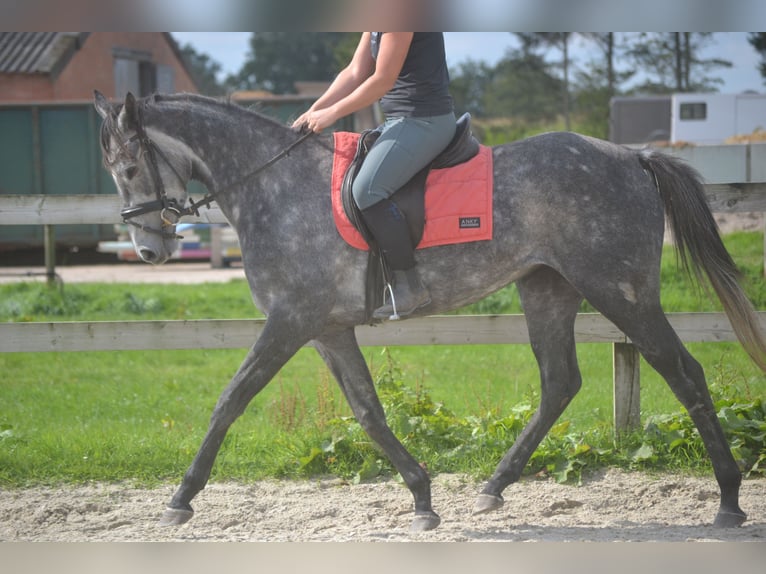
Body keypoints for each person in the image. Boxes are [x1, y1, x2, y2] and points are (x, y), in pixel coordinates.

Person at [292, 32, 456, 320]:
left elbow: (382, 79)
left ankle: (409, 284)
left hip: (424, 120)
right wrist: (312, 111)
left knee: (366, 189)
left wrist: (331, 114)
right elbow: (355, 72)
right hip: (398, 121)